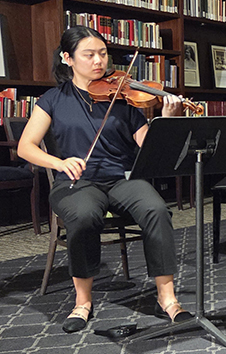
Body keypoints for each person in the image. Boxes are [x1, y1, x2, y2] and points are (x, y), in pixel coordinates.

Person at [17, 26, 193, 333]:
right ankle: (82, 301)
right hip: (76, 183)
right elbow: (26, 147)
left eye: (102, 53)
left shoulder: (124, 97)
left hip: (121, 179)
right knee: (84, 215)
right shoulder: (53, 99)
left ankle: (168, 299)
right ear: (67, 59)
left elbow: (150, 145)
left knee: (156, 209)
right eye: (89, 55)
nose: (98, 61)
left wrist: (170, 118)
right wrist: (60, 161)